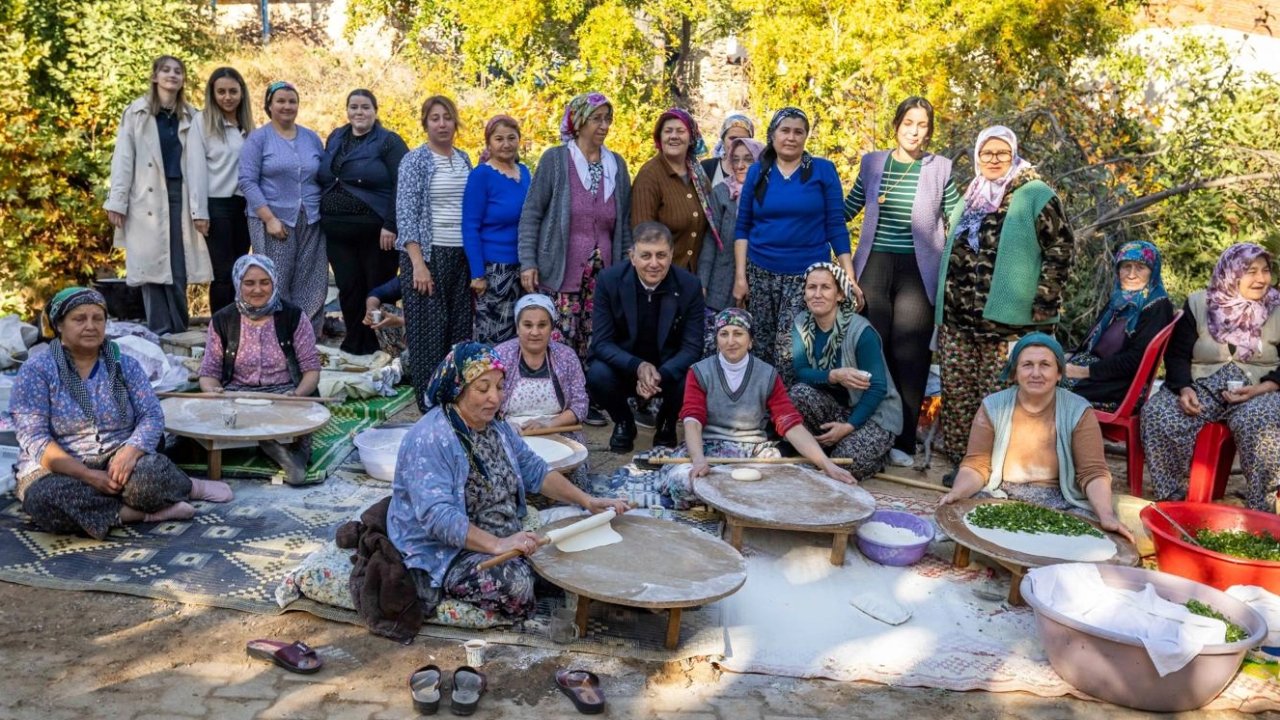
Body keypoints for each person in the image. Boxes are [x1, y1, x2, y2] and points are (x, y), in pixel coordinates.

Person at [388, 342, 628, 619]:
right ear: (458, 388)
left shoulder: (497, 425)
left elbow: (535, 470)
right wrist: (497, 545)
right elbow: (438, 517)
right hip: (449, 549)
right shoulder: (431, 438)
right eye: (483, 388)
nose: (494, 398)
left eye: (500, 387)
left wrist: (587, 501)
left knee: (579, 528)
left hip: (503, 530)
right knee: (516, 585)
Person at [10, 288, 233, 540]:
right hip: (62, 467)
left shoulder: (124, 364)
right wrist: (88, 476)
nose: (90, 326)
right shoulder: (37, 371)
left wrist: (130, 452)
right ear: (59, 325)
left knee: (150, 476)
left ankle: (189, 486)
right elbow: (35, 439)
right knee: (42, 498)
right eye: (79, 319)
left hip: (119, 455)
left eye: (98, 318)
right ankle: (140, 514)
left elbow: (151, 415)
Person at [934, 125, 1073, 465]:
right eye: (987, 153)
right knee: (958, 395)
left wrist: (1045, 300)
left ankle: (997, 467)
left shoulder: (1035, 194)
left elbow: (1061, 248)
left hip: (1008, 324)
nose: (994, 159)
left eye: (1002, 153)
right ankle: (963, 464)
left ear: (1014, 154)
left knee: (1000, 398)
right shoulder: (972, 194)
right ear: (977, 156)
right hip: (958, 320)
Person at [844, 97, 960, 466]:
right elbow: (847, 209)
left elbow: (958, 219)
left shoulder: (940, 168)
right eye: (908, 122)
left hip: (918, 271)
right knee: (871, 351)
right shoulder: (873, 163)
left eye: (922, 125)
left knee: (910, 357)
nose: (914, 131)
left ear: (929, 131)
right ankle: (869, 431)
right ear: (896, 125)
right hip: (874, 267)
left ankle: (904, 441)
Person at [939, 333, 1133, 542]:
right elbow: (976, 466)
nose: (1036, 373)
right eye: (1027, 365)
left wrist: (1106, 515)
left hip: (1060, 502)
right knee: (961, 513)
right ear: (1014, 373)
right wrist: (957, 493)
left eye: (1045, 365)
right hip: (1001, 496)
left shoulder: (1079, 411)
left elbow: (1093, 472)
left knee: (1090, 533)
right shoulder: (993, 406)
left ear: (1059, 373)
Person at [653, 308, 854, 508]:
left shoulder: (767, 375)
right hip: (707, 449)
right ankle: (734, 498)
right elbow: (693, 421)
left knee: (792, 483)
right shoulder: (699, 372)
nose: (730, 341)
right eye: (724, 334)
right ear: (717, 340)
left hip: (752, 453)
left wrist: (826, 464)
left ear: (750, 341)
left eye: (738, 333)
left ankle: (722, 499)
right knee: (684, 482)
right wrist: (698, 460)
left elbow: (790, 424)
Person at [1142, 243, 1280, 511]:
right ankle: (1172, 497)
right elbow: (1177, 354)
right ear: (1231, 272)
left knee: (1258, 420)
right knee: (1158, 413)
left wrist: (1264, 387)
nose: (1261, 279)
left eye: (1266, 270)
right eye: (1251, 271)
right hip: (1202, 387)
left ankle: (1262, 508)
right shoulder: (1199, 303)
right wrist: (1184, 388)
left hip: (1259, 390)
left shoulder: (1277, 308)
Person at [733, 107, 858, 369]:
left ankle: (794, 397)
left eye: (798, 132)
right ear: (773, 135)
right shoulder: (757, 172)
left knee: (791, 352)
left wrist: (849, 276)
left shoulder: (823, 171)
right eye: (785, 131)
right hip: (761, 274)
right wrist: (741, 278)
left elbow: (836, 225)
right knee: (761, 348)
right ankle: (764, 396)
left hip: (806, 277)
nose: (791, 137)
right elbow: (743, 227)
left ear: (805, 137)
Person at [518, 92, 633, 365]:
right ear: (579, 122)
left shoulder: (616, 164)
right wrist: (528, 262)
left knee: (596, 343)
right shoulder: (555, 160)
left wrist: (625, 270)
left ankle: (587, 392)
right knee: (559, 345)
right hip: (560, 271)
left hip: (602, 276)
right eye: (597, 119)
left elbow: (625, 223)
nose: (604, 126)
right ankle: (559, 390)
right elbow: (531, 214)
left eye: (607, 119)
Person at [104, 55, 212, 336]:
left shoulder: (192, 116)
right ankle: (159, 332)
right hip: (146, 197)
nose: (172, 75)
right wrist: (117, 201)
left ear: (183, 79)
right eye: (166, 70)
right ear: (155, 76)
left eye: (178, 71)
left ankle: (178, 331)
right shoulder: (136, 113)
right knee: (151, 268)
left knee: (178, 266)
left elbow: (201, 163)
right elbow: (123, 158)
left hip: (180, 195)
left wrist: (201, 208)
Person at [197, 255, 323, 485]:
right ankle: (270, 444)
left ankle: (293, 455)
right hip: (238, 395)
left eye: (265, 282)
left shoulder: (293, 316)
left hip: (284, 394)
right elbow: (209, 373)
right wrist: (214, 391)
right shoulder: (223, 319)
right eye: (249, 283)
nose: (257, 290)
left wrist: (297, 395)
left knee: (302, 420)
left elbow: (311, 370)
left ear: (274, 282)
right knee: (204, 419)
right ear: (238, 283)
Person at [587, 223, 705, 452]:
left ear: (671, 255)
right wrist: (638, 366)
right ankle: (624, 422)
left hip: (667, 369)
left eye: (661, 255)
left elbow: (692, 347)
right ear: (632, 257)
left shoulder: (690, 286)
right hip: (625, 366)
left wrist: (660, 375)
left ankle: (667, 424)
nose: (654, 263)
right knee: (597, 374)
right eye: (645, 255)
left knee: (693, 375)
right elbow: (601, 342)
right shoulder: (609, 280)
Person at [786, 263, 902, 481]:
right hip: (836, 407)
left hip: (873, 414)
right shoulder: (802, 324)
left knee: (847, 462)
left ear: (839, 295)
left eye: (825, 287)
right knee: (798, 394)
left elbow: (877, 388)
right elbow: (801, 372)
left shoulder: (860, 331)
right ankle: (825, 449)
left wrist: (848, 427)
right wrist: (833, 375)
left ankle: (877, 454)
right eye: (811, 287)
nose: (817, 294)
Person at [317, 89, 410, 356]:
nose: (359, 112)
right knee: (348, 287)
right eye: (354, 107)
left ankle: (381, 346)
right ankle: (355, 345)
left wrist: (391, 224)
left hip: (377, 231)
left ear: (375, 111)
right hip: (337, 230)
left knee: (376, 287)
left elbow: (403, 183)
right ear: (347, 110)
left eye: (365, 107)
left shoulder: (389, 141)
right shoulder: (336, 137)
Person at [396, 95, 474, 412]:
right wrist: (418, 264)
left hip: (461, 255)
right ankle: (429, 405)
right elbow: (406, 216)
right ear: (425, 124)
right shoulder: (415, 161)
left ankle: (454, 399)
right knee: (428, 335)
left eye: (447, 117)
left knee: (458, 331)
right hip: (428, 255)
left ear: (456, 122)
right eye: (435, 118)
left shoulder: (464, 159)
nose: (442, 124)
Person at [238, 81, 328, 337]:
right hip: (273, 219)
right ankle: (276, 336)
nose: (287, 106)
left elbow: (322, 174)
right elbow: (247, 181)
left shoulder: (311, 138)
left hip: (311, 218)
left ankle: (306, 336)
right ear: (269, 105)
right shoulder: (259, 139)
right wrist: (269, 218)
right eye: (281, 101)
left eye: (292, 101)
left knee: (312, 279)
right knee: (275, 279)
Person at [493, 294, 591, 489]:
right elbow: (484, 402)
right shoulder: (500, 355)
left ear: (551, 328)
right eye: (527, 325)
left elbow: (580, 405)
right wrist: (504, 427)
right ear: (517, 327)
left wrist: (549, 424)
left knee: (575, 484)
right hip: (510, 432)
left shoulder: (566, 357)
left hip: (558, 431)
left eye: (542, 325)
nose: (535, 332)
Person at [1064, 241, 1174, 409]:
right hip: (1098, 372)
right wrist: (1069, 356)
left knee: (1043, 385)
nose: (1131, 274)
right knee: (1036, 372)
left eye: (1140, 268)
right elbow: (1092, 344)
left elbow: (1136, 360)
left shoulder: (1156, 306)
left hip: (1120, 386)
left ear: (1153, 271)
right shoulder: (1119, 300)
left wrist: (1083, 371)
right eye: (1126, 266)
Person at [187, 66, 254, 315]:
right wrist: (199, 212)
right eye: (222, 92)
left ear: (241, 93)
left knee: (241, 269)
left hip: (244, 206)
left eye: (233, 91)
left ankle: (240, 322)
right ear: (212, 94)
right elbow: (195, 168)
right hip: (217, 204)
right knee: (223, 272)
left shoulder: (248, 126)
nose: (228, 97)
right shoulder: (202, 122)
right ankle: (221, 326)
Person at [464, 115, 531, 345]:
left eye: (511, 138)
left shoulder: (525, 173)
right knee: (494, 337)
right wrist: (477, 274)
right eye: (499, 139)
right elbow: (470, 226)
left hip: (523, 268)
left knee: (521, 337)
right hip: (494, 271)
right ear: (489, 143)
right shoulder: (481, 175)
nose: (506, 144)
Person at [631, 108, 717, 271]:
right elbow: (643, 234)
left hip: (694, 276)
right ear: (659, 137)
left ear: (691, 138)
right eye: (668, 131)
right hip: (660, 274)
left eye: (680, 131)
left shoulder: (697, 174)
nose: (674, 136)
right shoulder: (649, 176)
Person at [703, 137, 765, 320]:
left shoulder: (770, 194)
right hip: (722, 284)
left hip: (761, 285)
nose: (740, 165)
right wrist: (703, 283)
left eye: (748, 159)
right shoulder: (721, 192)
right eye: (735, 159)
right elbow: (710, 240)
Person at [700, 113, 755, 187]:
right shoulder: (707, 167)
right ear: (723, 140)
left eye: (743, 139)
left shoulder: (758, 170)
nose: (737, 143)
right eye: (733, 138)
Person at [364, 276, 407, 360]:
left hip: (428, 331)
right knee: (382, 310)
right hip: (408, 327)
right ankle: (396, 358)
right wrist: (371, 309)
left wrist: (401, 321)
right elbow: (376, 293)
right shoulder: (408, 277)